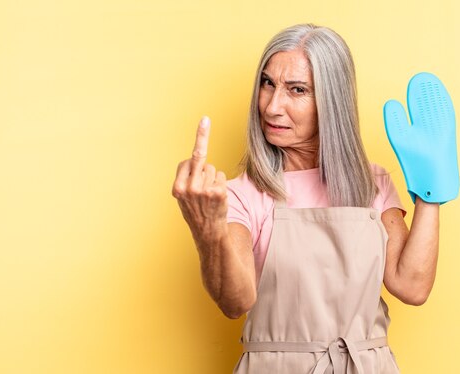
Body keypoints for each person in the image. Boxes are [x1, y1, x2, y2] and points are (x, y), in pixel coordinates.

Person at [172, 23, 440, 373]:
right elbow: (235, 301)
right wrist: (207, 230)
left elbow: (412, 286)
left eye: (297, 90)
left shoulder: (371, 183)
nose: (271, 107)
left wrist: (432, 189)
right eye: (267, 83)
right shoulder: (242, 194)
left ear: (333, 102)